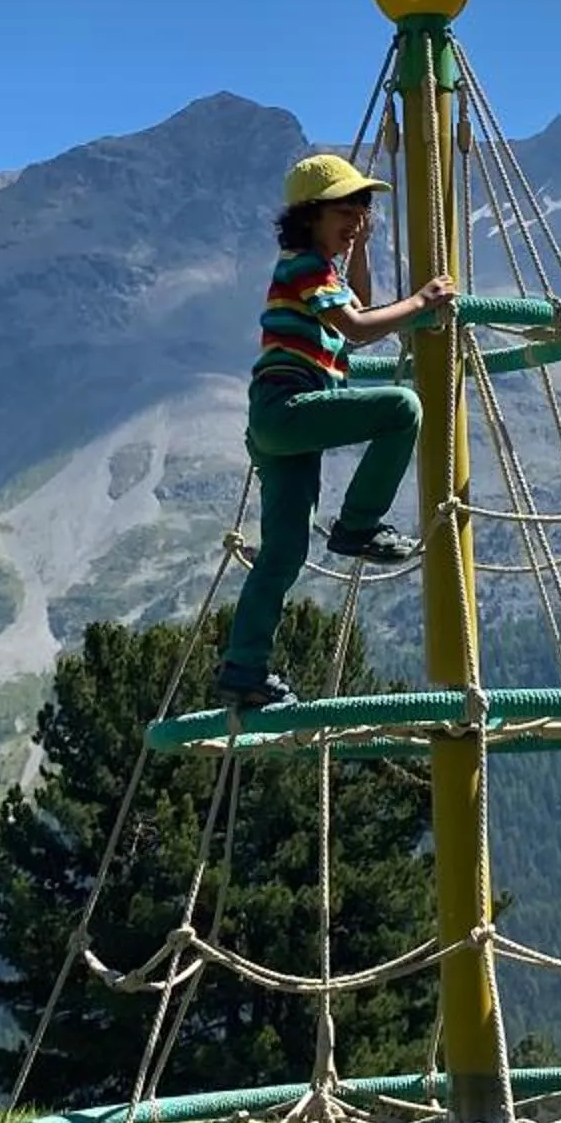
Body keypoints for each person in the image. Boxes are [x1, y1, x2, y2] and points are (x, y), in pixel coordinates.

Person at [213, 154, 457, 709]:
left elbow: (358, 311)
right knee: (402, 408)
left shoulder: (319, 272)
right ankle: (357, 526)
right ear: (309, 216)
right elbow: (356, 329)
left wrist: (365, 250)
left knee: (284, 551)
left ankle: (243, 669)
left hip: (284, 422)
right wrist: (421, 302)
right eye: (345, 212)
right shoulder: (301, 265)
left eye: (361, 214)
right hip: (289, 405)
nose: (355, 222)